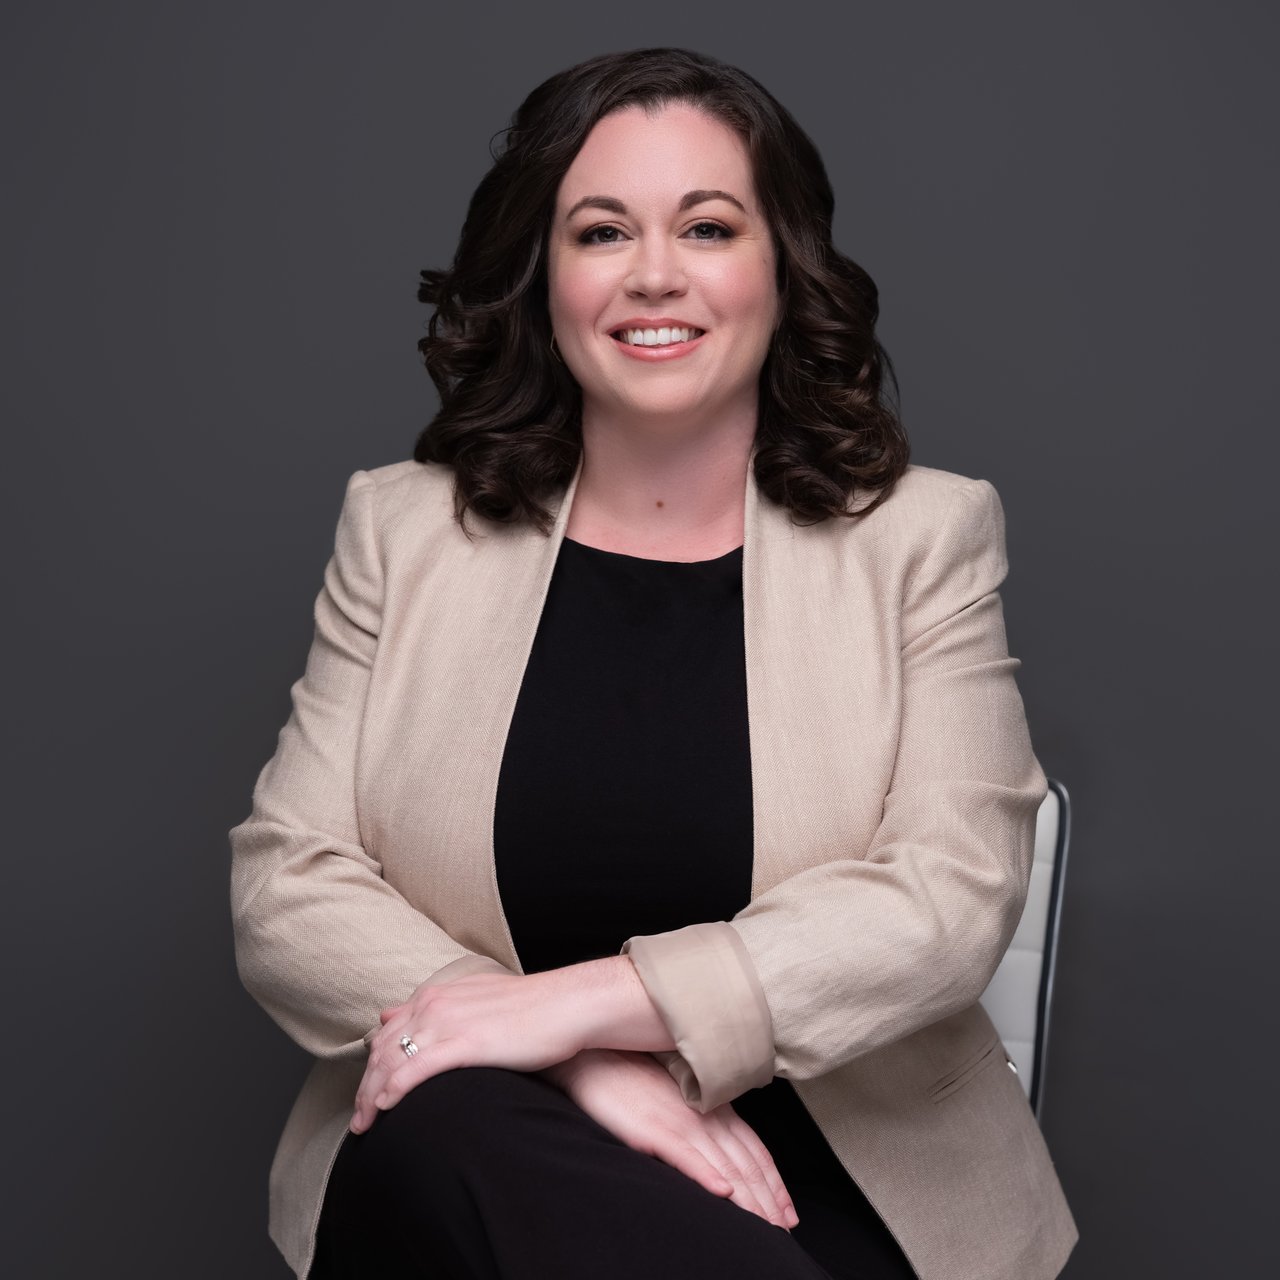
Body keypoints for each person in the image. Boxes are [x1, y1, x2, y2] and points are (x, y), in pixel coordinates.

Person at [229, 46, 1078, 1280]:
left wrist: (567, 1004)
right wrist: (573, 1063)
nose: (654, 275)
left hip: (837, 1182)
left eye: (708, 225)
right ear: (542, 277)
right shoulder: (402, 530)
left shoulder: (921, 538)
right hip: (479, 1151)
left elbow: (947, 900)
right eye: (600, 232)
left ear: (782, 267)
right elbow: (285, 885)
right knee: (448, 1114)